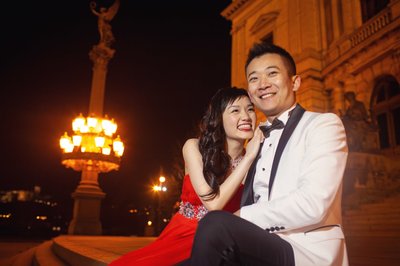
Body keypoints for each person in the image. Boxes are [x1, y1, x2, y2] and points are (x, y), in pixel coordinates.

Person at [186, 43, 349, 265]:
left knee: (215, 225)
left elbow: (313, 204)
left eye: (272, 73)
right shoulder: (253, 138)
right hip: (255, 244)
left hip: (305, 252)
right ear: (250, 94)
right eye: (254, 78)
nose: (262, 84)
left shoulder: (323, 125)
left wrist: (240, 218)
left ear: (295, 82)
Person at [109, 87, 264, 265]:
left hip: (224, 240)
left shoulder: (258, 161)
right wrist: (249, 157)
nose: (246, 116)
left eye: (250, 109)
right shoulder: (194, 147)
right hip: (183, 235)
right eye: (235, 110)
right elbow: (213, 203)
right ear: (218, 118)